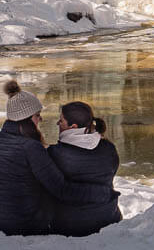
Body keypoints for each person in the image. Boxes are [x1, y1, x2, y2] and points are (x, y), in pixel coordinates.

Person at [0, 81, 108, 235]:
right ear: (26, 118)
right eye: (37, 115)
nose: (40, 119)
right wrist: (100, 192)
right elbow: (61, 189)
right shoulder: (31, 147)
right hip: (21, 223)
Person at [47, 101, 122, 236]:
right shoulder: (109, 148)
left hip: (68, 225)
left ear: (73, 126)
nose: (58, 123)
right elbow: (112, 172)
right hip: (108, 217)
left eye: (61, 121)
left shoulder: (55, 153)